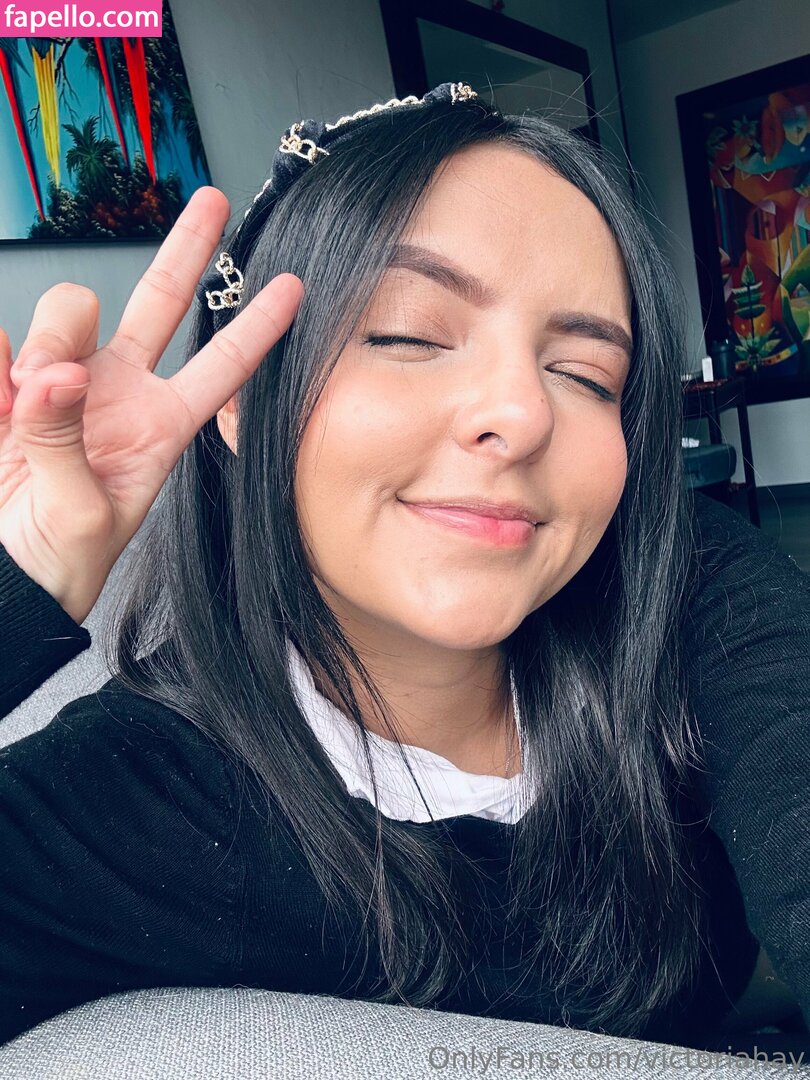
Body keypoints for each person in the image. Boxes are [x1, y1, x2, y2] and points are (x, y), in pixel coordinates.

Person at [0, 82, 808, 1055]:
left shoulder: (693, 584)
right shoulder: (137, 800)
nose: (522, 415)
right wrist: (22, 579)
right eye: (409, 334)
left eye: (585, 374)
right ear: (242, 399)